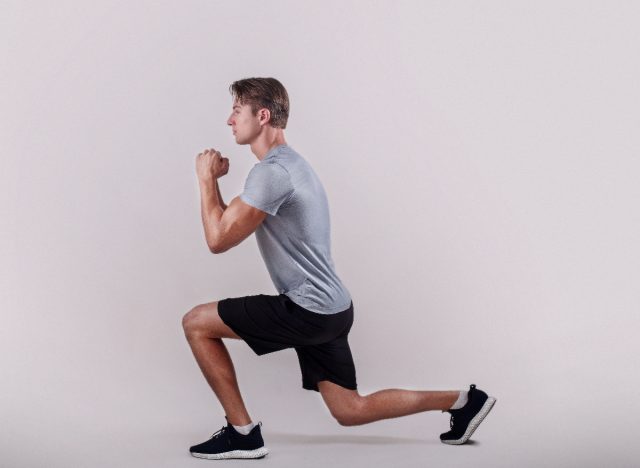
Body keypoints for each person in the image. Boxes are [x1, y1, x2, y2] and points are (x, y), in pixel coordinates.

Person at [182, 77, 496, 460]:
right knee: (350, 410)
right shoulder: (286, 166)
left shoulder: (272, 174)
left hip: (308, 309)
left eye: (236, 110)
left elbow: (218, 239)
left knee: (196, 322)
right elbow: (228, 222)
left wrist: (203, 178)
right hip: (332, 307)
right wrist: (213, 183)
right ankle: (465, 401)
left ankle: (243, 433)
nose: (229, 120)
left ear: (262, 116)